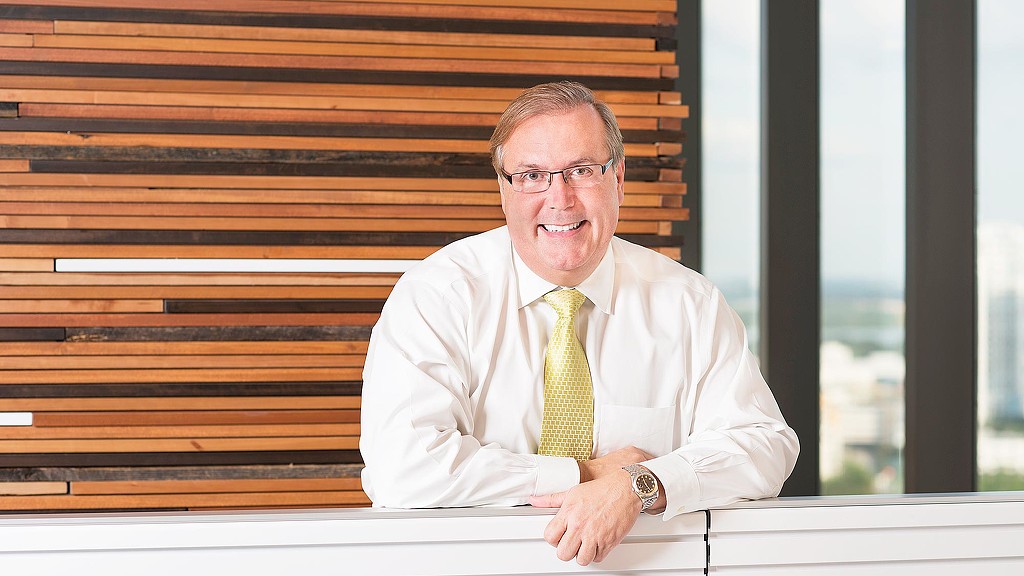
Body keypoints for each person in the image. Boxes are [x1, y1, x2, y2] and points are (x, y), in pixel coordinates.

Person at [359, 81, 799, 566]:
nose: (559, 198)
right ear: (504, 189)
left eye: (582, 171)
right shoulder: (439, 294)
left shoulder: (688, 303)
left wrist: (640, 486)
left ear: (618, 180)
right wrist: (584, 475)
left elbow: (763, 446)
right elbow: (402, 468)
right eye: (531, 175)